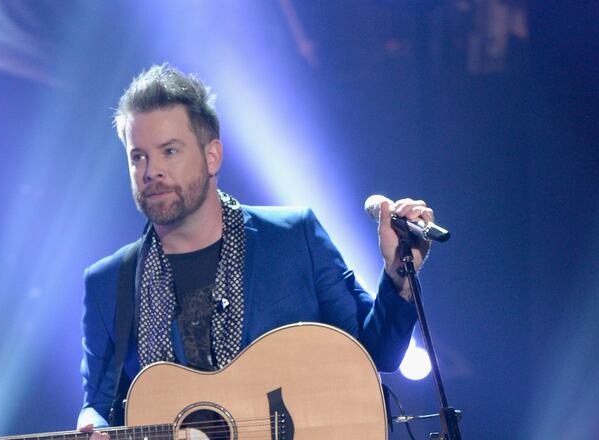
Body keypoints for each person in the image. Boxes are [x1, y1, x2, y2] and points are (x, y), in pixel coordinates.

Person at [78, 64, 433, 438]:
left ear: (212, 156)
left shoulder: (294, 237)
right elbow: (98, 406)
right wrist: (92, 426)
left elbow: (375, 353)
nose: (151, 171)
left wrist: (399, 274)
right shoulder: (108, 282)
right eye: (138, 156)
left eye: (169, 151)